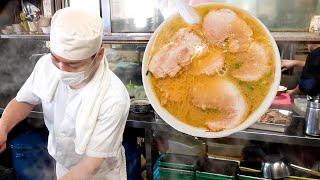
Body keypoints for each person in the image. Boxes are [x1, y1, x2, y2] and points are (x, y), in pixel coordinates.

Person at [0, 7, 130, 179]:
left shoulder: (113, 97)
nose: (61, 69)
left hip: (99, 174)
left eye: (73, 64)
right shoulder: (46, 65)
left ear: (98, 55)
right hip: (64, 168)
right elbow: (24, 101)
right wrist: (2, 127)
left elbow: (90, 165)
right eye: (56, 58)